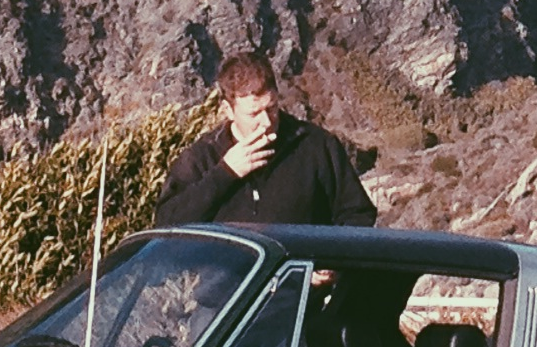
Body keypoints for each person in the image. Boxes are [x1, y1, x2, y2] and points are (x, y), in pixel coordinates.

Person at [150, 52, 378, 230]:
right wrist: (225, 173)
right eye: (253, 114)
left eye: (271, 109)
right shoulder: (202, 157)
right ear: (228, 110)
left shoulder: (315, 145)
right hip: (232, 288)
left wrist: (331, 263)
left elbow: (357, 213)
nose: (266, 121)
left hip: (304, 286)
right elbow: (167, 223)